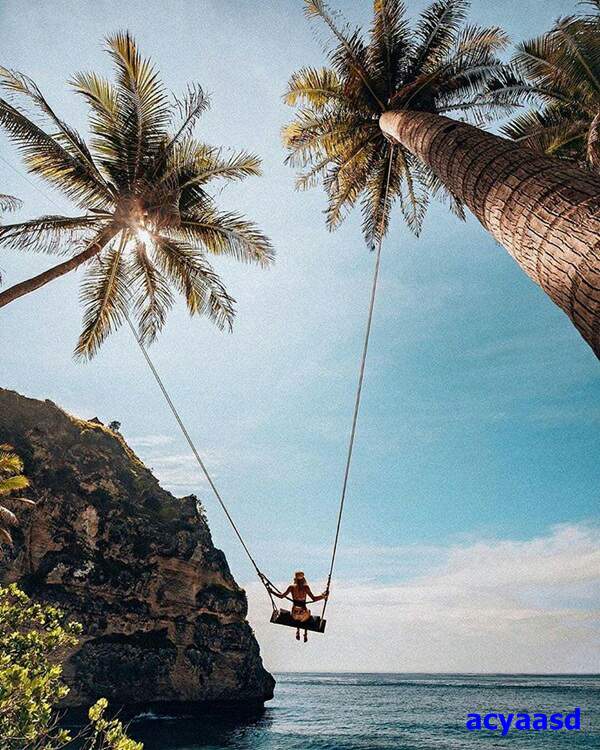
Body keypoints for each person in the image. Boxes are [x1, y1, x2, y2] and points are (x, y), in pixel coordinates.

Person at [269, 571, 328, 642]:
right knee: (307, 613)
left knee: (297, 615)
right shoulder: (305, 587)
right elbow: (314, 599)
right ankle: (305, 633)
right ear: (303, 579)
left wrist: (271, 591)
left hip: (294, 614)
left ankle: (298, 631)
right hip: (304, 614)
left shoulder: (291, 587)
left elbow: (281, 596)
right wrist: (323, 596)